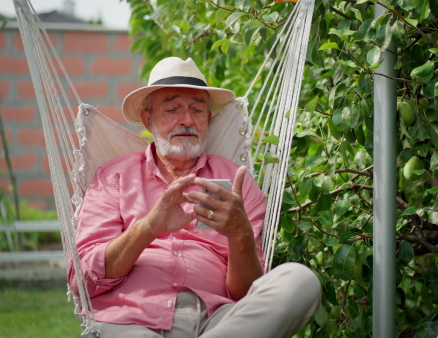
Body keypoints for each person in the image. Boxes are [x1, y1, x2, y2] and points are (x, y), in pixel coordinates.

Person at [68, 57, 321, 338]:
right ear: (148, 119)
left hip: (218, 322)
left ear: (208, 120)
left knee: (301, 281)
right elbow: (83, 279)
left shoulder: (236, 183)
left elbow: (246, 291)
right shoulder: (113, 178)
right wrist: (147, 227)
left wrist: (240, 235)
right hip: (132, 320)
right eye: (173, 109)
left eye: (197, 110)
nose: (187, 120)